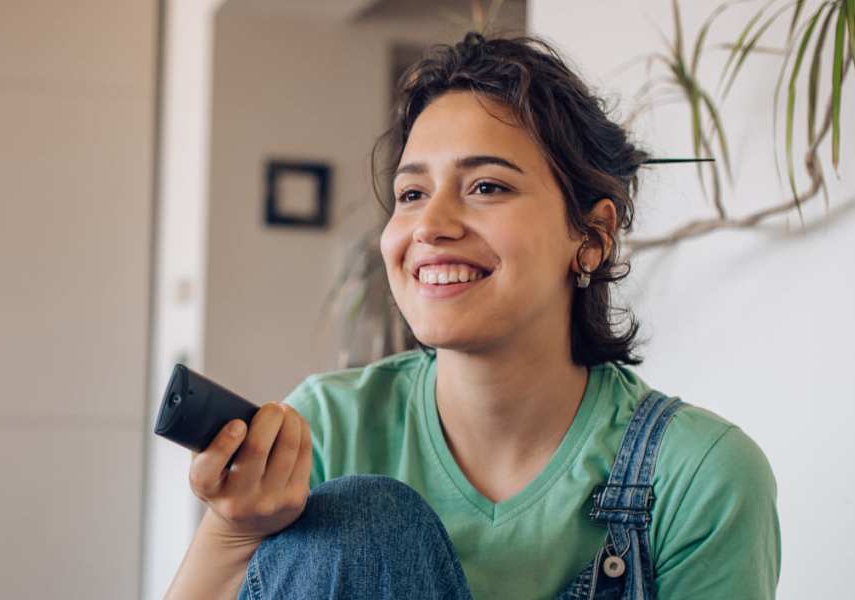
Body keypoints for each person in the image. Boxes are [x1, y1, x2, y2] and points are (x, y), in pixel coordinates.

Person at [165, 32, 780, 600]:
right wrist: (235, 530)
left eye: (487, 186)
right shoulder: (329, 427)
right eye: (411, 194)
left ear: (592, 236)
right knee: (366, 519)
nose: (431, 226)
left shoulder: (699, 476)